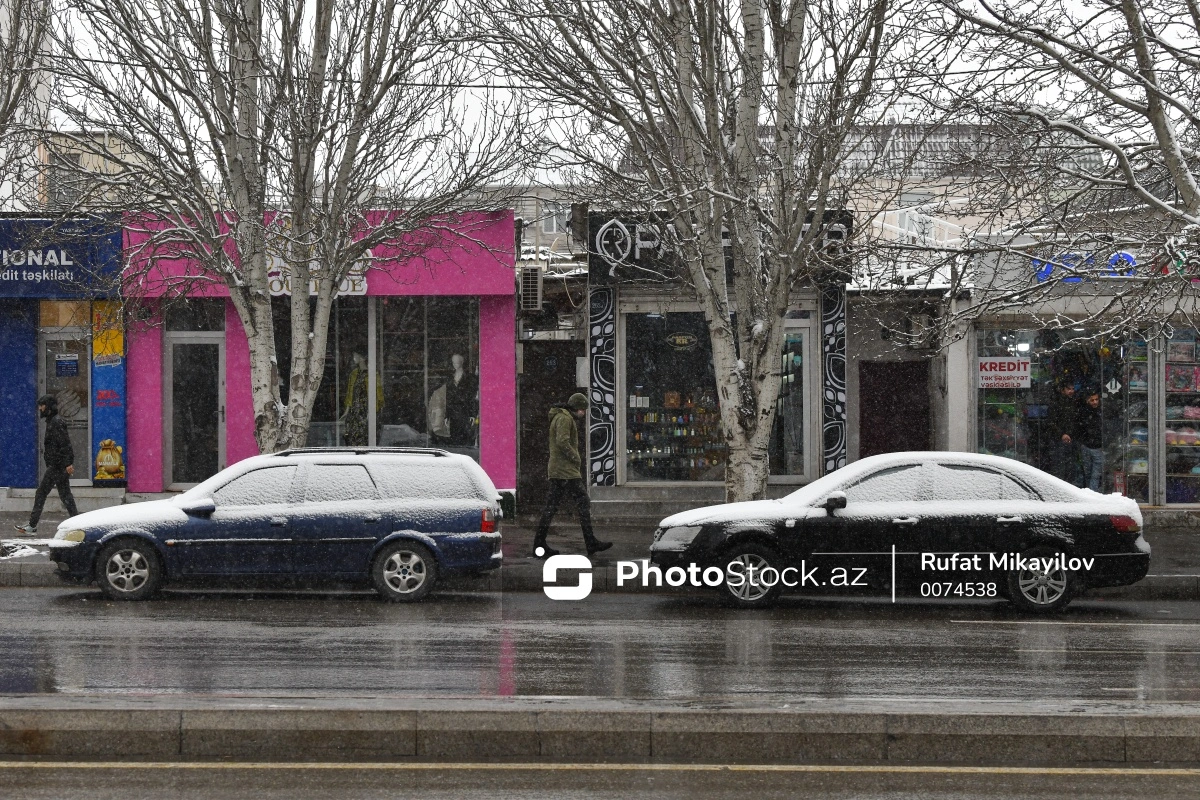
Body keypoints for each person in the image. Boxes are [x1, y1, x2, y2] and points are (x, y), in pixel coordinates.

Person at [532, 392, 612, 559]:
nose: (583, 413)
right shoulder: (565, 418)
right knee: (582, 502)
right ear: (577, 407)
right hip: (565, 471)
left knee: (551, 507)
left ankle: (539, 544)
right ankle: (590, 543)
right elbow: (562, 441)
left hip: (562, 471)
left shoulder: (562, 417)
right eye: (583, 409)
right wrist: (575, 457)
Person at [14, 395, 79, 534]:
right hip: (58, 464)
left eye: (42, 405)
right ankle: (79, 524)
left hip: (57, 466)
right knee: (66, 496)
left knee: (41, 492)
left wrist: (68, 463)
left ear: (49, 406)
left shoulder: (56, 422)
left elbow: (65, 443)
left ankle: (32, 525)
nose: (40, 408)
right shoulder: (52, 421)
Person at [1047, 383, 1080, 485]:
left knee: (1070, 467)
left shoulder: (1074, 403)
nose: (1071, 391)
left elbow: (1075, 421)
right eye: (1068, 389)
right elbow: (1051, 421)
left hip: (1071, 439)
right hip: (1059, 440)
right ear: (1062, 390)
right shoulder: (1056, 403)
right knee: (1060, 467)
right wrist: (1062, 434)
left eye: (1072, 388)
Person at [443, 353, 479, 446]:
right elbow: (448, 397)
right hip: (453, 412)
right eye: (453, 362)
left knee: (465, 437)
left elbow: (473, 397)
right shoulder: (450, 378)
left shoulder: (470, 378)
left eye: (457, 362)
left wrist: (472, 413)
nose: (455, 364)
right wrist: (447, 415)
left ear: (462, 362)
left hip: (465, 411)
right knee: (454, 437)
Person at [1076, 389, 1105, 491]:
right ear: (1088, 400)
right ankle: (1091, 492)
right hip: (1088, 445)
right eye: (1092, 400)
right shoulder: (1084, 412)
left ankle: (1092, 493)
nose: (1095, 402)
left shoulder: (1100, 412)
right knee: (1089, 472)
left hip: (1095, 446)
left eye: (1096, 399)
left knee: (1095, 474)